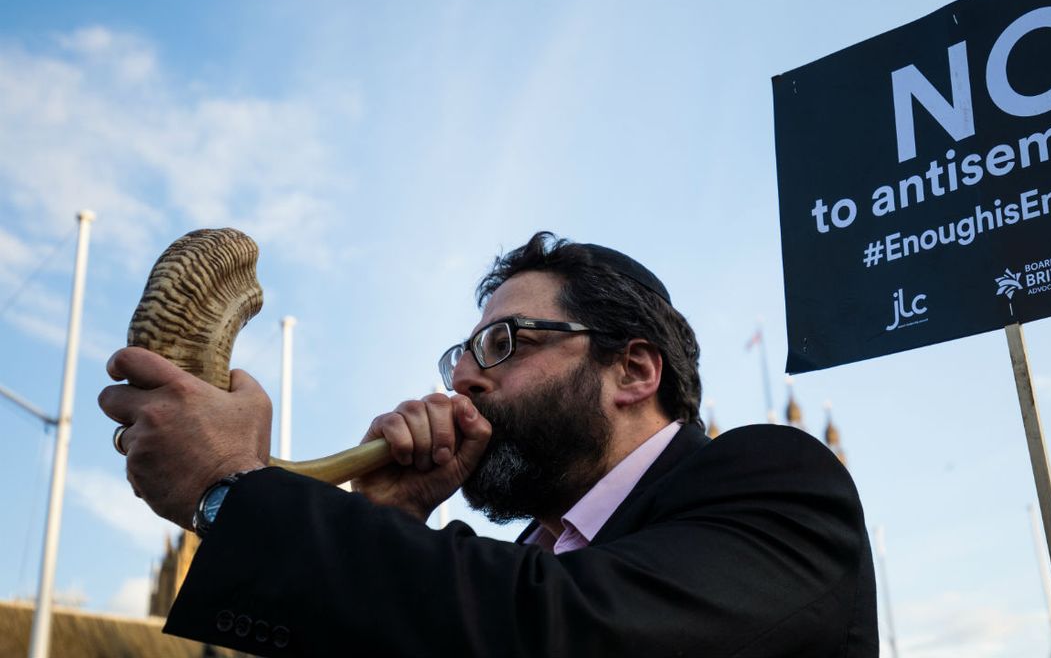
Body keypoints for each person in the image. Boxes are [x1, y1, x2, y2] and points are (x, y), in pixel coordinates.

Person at [100, 231, 878, 657]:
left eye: (503, 344)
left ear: (635, 370)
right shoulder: (531, 565)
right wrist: (394, 521)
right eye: (461, 356)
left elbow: (562, 635)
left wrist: (235, 489)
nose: (464, 381)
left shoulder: (777, 481)